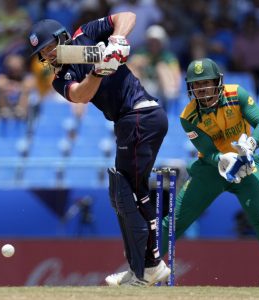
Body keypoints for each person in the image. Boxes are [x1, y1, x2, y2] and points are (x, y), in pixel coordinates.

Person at [28, 12, 170, 286]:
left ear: (62, 37)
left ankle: (152, 264)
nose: (48, 55)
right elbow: (81, 95)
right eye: (42, 52)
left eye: (49, 46)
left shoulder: (86, 35)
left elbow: (127, 16)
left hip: (141, 114)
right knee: (122, 194)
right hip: (129, 121)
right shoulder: (59, 78)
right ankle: (138, 266)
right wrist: (99, 70)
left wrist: (117, 39)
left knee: (132, 193)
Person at [167, 58, 259, 288]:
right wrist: (222, 159)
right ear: (190, 87)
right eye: (197, 84)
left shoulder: (237, 94)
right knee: (175, 220)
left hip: (246, 163)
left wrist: (251, 144)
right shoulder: (188, 116)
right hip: (212, 168)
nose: (202, 89)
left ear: (218, 82)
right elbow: (207, 150)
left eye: (207, 83)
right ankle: (142, 268)